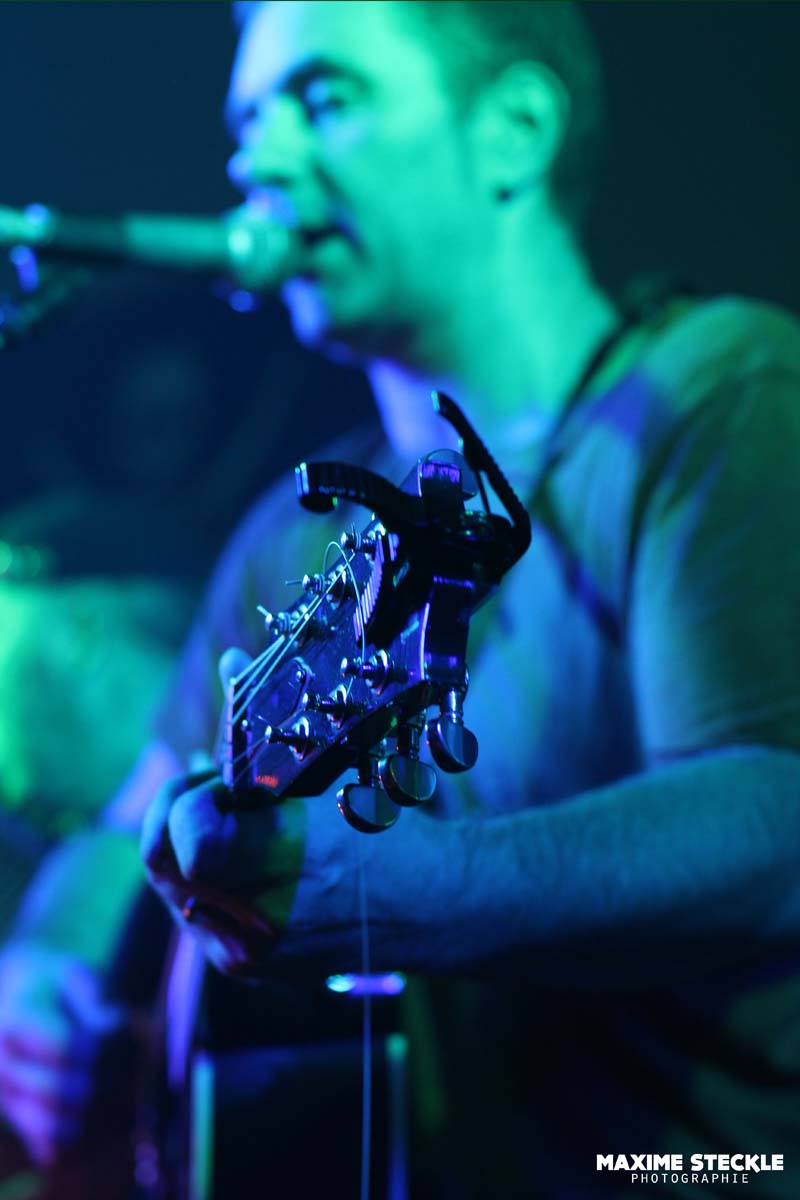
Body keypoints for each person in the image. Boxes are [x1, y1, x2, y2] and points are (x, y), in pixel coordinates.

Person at [2, 2, 800, 1196]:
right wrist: (44, 964)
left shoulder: (710, 393)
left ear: (512, 130)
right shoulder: (297, 530)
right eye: (248, 122)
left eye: (323, 100)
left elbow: (776, 826)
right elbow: (129, 825)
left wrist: (428, 888)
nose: (259, 159)